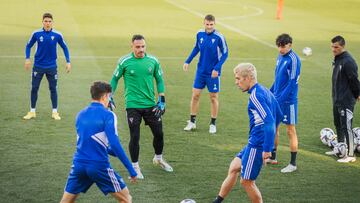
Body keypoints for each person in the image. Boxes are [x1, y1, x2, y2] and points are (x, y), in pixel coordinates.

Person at [213, 63, 282, 203]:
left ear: (248, 78)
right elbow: (279, 115)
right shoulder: (264, 90)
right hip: (255, 141)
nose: (236, 82)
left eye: (238, 79)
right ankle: (217, 201)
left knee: (246, 181)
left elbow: (269, 121)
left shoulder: (255, 96)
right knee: (234, 167)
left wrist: (267, 148)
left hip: (257, 144)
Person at [60, 81, 137, 203]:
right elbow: (115, 144)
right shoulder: (108, 115)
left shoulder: (80, 114)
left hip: (79, 165)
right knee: (126, 199)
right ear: (105, 96)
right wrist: (131, 169)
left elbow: (91, 143)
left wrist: (112, 151)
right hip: (99, 166)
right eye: (109, 96)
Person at [110, 34, 173, 179]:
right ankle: (135, 167)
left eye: (143, 46)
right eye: (138, 47)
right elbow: (114, 79)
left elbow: (159, 79)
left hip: (151, 104)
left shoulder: (153, 61)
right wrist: (110, 96)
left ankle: (158, 158)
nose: (141, 49)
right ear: (132, 47)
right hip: (132, 106)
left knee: (159, 134)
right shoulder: (124, 61)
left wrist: (161, 99)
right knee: (135, 136)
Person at [183, 14, 228, 134]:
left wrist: (217, 68)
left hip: (213, 73)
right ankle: (192, 122)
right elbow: (196, 48)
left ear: (214, 24)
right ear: (204, 23)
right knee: (195, 95)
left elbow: (225, 54)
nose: (209, 27)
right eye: (207, 24)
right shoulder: (199, 34)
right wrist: (188, 61)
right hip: (201, 71)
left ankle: (213, 123)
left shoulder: (219, 37)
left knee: (213, 97)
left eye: (211, 24)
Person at [23, 13, 71, 120]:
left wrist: (68, 61)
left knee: (53, 89)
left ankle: (55, 112)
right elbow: (28, 45)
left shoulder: (58, 35)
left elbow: (65, 47)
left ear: (52, 22)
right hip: (38, 66)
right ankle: (32, 111)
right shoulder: (36, 33)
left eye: (49, 21)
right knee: (34, 88)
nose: (47, 23)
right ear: (42, 22)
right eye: (46, 21)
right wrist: (27, 58)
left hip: (52, 67)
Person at [267, 33, 301, 173]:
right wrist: (270, 92)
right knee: (274, 127)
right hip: (277, 98)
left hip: (288, 101)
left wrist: (281, 99)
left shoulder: (294, 59)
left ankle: (293, 164)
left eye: (283, 47)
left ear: (290, 45)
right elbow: (278, 78)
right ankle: (273, 156)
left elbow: (292, 82)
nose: (281, 49)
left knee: (290, 130)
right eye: (279, 47)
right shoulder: (280, 56)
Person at [325, 35, 360, 163]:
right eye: (332, 46)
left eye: (336, 47)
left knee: (347, 126)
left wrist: (357, 94)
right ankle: (340, 148)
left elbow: (354, 80)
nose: (334, 49)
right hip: (337, 99)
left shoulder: (348, 61)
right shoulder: (337, 58)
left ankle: (350, 154)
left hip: (346, 100)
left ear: (342, 46)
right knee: (338, 124)